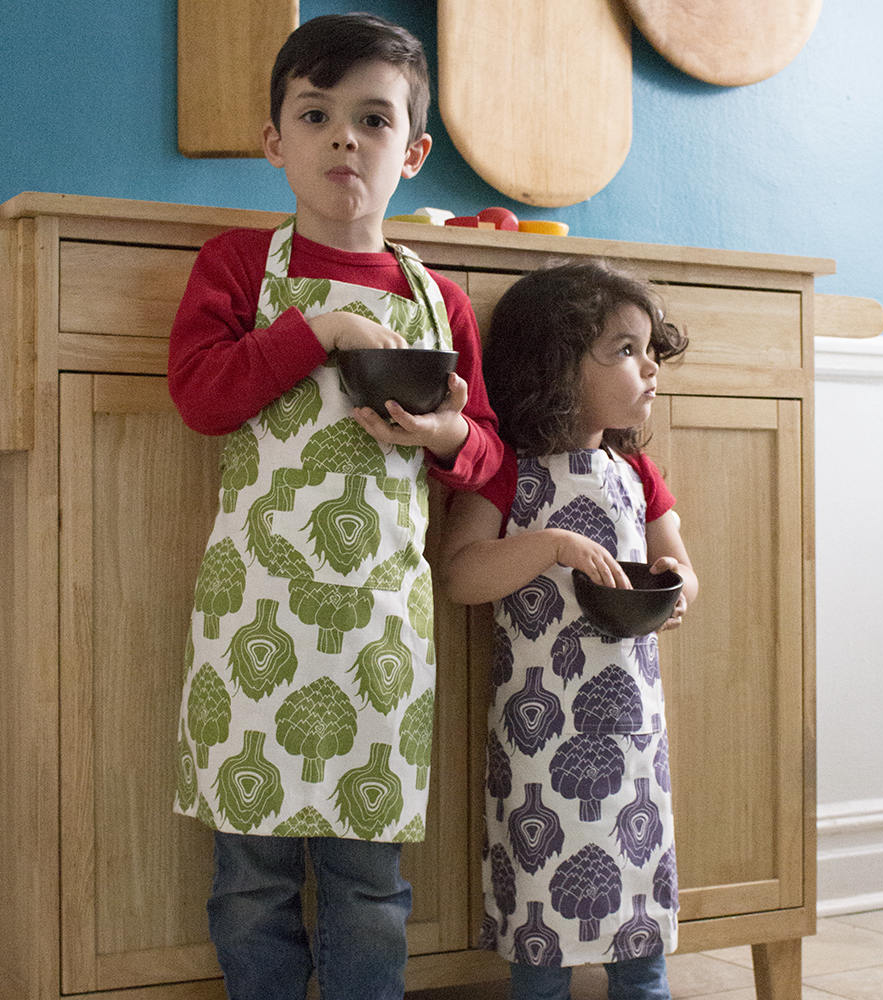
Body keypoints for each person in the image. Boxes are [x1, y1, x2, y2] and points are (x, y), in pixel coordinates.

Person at [168, 13, 503, 1000]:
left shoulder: (440, 300)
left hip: (379, 637)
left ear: (414, 151)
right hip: (251, 628)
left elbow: (489, 459)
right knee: (250, 882)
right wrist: (318, 327)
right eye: (316, 115)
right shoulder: (236, 268)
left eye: (372, 118)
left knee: (368, 886)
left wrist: (442, 436)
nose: (344, 139)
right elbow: (202, 396)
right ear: (276, 142)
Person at [442, 260, 698, 1000]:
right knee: (542, 918)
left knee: (641, 917)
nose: (648, 368)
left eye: (650, 350)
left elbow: (676, 562)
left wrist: (678, 590)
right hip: (538, 745)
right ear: (555, 365)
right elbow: (460, 575)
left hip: (633, 736)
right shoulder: (505, 470)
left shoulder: (635, 472)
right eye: (624, 350)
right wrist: (550, 544)